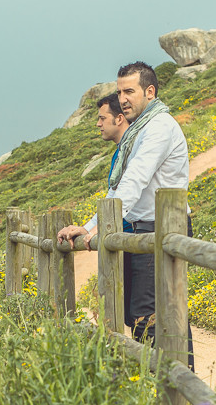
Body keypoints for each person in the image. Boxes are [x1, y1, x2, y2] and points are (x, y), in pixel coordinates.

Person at [57, 61, 194, 369]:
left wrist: (96, 229)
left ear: (150, 91)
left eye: (129, 91)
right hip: (140, 228)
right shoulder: (140, 129)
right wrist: (90, 226)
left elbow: (134, 180)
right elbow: (122, 185)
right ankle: (168, 385)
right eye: (119, 92)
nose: (123, 99)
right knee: (146, 313)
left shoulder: (159, 127)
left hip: (161, 227)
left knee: (151, 313)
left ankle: (166, 387)